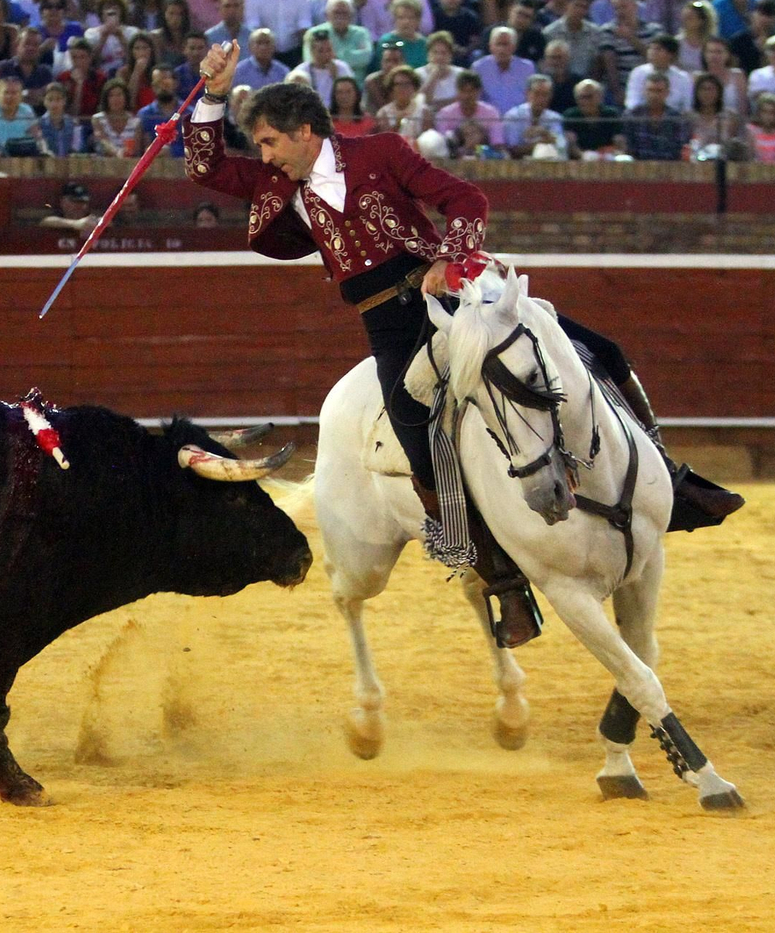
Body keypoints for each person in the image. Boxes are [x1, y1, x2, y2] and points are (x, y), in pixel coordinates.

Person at [188, 43, 741, 649]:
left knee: (597, 349)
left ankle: (669, 474)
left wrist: (452, 257)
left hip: (452, 293)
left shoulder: (381, 151)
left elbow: (465, 198)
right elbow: (204, 168)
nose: (264, 155)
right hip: (389, 322)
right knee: (407, 418)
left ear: (303, 132)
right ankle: (498, 572)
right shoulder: (276, 182)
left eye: (269, 141)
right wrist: (215, 92)